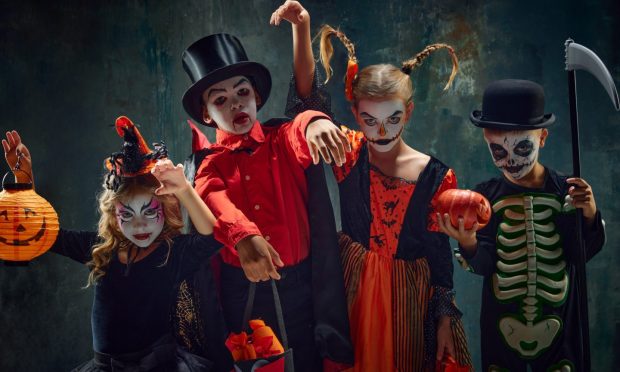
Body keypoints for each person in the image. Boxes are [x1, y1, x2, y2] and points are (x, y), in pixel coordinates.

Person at [287, 22, 473, 371]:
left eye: (393, 118)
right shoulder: (349, 153)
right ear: (356, 114)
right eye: (370, 120)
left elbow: (438, 251)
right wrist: (302, 28)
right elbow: (306, 102)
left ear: (409, 112)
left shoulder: (436, 175)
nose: (382, 131)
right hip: (351, 285)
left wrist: (445, 315)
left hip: (410, 294)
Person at [178, 3, 354, 370]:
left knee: (306, 360)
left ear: (257, 96)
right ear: (207, 113)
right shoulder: (210, 162)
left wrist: (314, 122)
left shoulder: (280, 138)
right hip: (238, 292)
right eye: (221, 100)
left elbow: (299, 127)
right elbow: (211, 196)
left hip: (301, 290)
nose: (236, 104)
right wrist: (242, 235)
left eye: (242, 92)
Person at [2, 116, 230, 371]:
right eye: (127, 215)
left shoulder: (172, 253)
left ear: (164, 210)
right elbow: (43, 234)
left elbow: (212, 236)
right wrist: (23, 183)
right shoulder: (102, 249)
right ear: (113, 216)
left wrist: (184, 189)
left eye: (149, 212)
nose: (140, 226)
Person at [438, 79, 606, 371]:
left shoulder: (566, 191)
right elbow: (486, 264)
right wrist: (469, 243)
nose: (511, 161)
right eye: (499, 152)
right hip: (501, 327)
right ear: (486, 141)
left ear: (542, 137)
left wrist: (589, 213)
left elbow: (579, 255)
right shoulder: (483, 197)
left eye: (522, 147)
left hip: (561, 324)